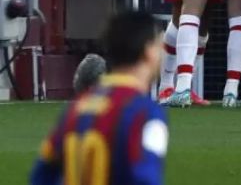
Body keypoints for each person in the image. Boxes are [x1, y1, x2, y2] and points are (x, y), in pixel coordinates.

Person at [31, 11, 168, 185]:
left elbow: (42, 175)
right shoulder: (144, 111)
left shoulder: (76, 108)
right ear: (148, 51)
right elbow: (145, 177)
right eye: (160, 46)